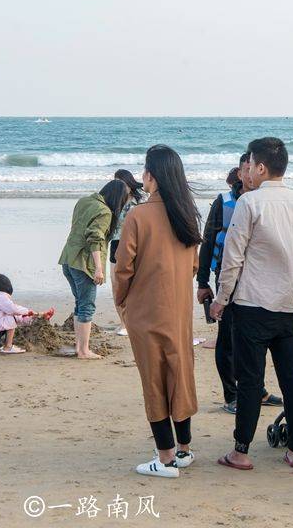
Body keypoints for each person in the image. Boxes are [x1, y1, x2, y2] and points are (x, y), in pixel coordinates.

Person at [211, 138, 293, 471]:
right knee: (290, 380)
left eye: (252, 166)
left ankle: (241, 452)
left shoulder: (250, 203)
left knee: (250, 381)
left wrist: (221, 298)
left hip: (252, 305)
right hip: (289, 304)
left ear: (260, 167)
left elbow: (233, 256)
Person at [113, 145, 203, 478]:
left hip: (145, 309)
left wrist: (122, 301)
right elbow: (194, 265)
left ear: (151, 175)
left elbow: (124, 268)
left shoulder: (138, 215)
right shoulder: (187, 214)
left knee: (154, 381)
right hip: (178, 310)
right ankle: (183, 450)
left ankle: (164, 458)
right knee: (179, 375)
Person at [196, 155, 281, 413]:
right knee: (228, 338)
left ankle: (259, 390)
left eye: (253, 168)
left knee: (257, 337)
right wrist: (202, 281)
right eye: (246, 169)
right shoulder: (224, 202)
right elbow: (208, 241)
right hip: (228, 276)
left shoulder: (267, 202)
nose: (251, 173)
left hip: (259, 276)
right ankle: (231, 395)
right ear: (241, 173)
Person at [59, 180, 129, 359]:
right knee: (87, 307)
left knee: (80, 304)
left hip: (68, 258)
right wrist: (99, 268)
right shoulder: (105, 211)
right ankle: (83, 350)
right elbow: (95, 238)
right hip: (84, 263)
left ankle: (79, 347)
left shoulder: (84, 201)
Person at [0, 274, 54, 354]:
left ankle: (37, 318)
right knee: (10, 318)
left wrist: (34, 315)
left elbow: (16, 314)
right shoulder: (1, 297)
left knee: (12, 316)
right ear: (7, 286)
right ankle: (8, 347)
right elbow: (14, 310)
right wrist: (28, 312)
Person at [109, 169, 145, 337]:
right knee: (116, 284)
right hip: (116, 244)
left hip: (134, 244)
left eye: (121, 182)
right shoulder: (114, 201)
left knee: (133, 286)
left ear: (129, 182)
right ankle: (123, 322)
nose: (119, 186)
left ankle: (132, 322)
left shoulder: (140, 200)